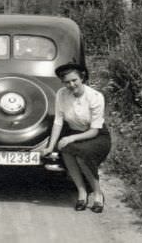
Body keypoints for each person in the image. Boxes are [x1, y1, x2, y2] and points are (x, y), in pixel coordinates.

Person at [42, 63, 112, 212]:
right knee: (65, 151)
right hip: (74, 133)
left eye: (74, 80)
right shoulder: (61, 94)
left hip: (97, 136)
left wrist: (71, 139)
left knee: (81, 156)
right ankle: (82, 193)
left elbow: (94, 131)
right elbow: (58, 121)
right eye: (67, 82)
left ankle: (98, 194)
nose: (71, 85)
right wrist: (50, 145)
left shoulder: (95, 96)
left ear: (82, 78)